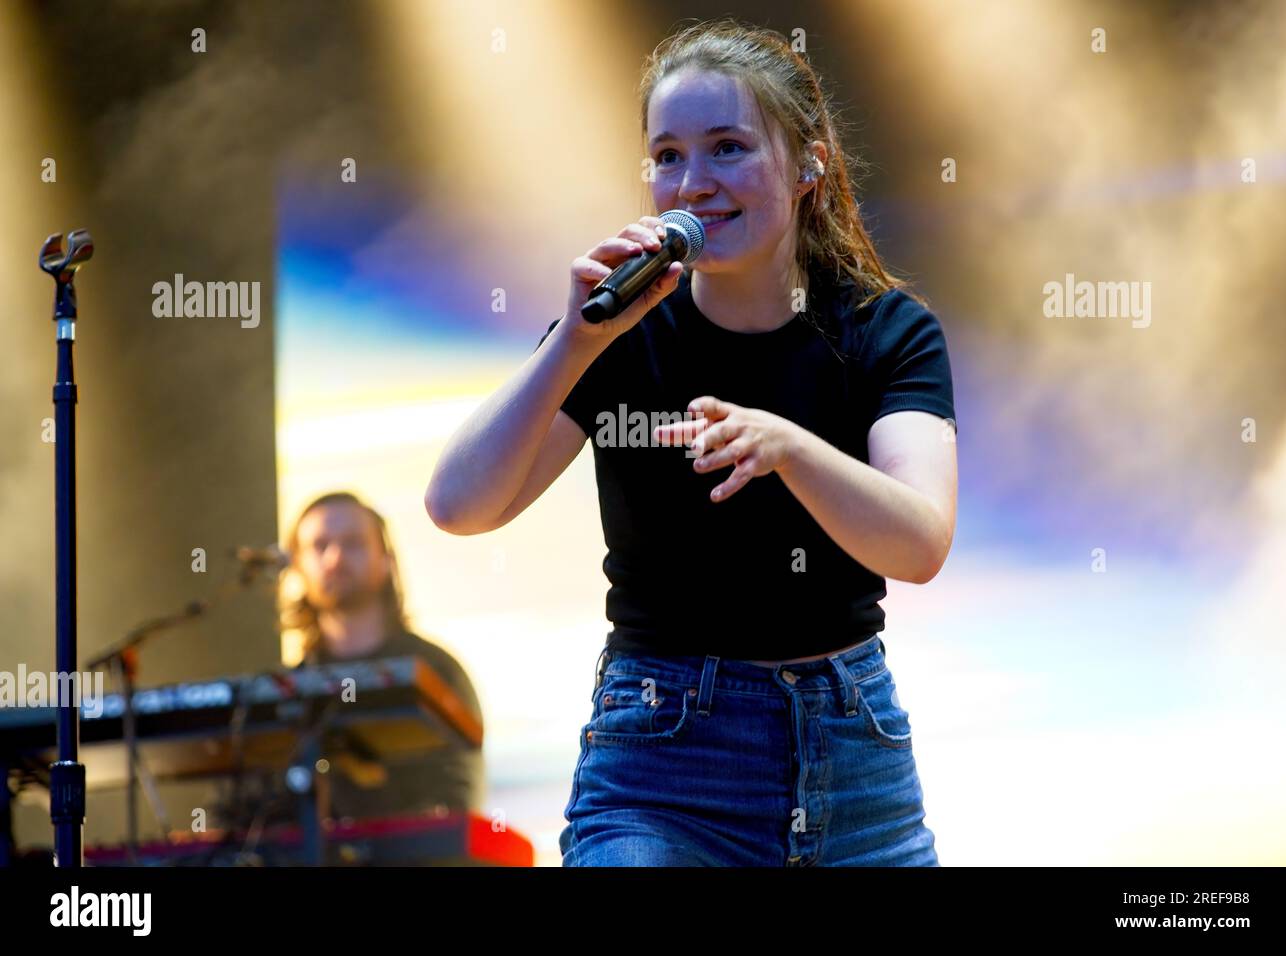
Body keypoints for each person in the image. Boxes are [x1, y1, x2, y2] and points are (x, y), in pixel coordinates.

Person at [425, 18, 956, 866]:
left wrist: (790, 447)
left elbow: (920, 542)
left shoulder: (883, 331)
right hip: (664, 755)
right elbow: (459, 505)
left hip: (851, 751)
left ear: (809, 161)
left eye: (728, 148)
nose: (694, 183)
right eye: (668, 156)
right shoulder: (623, 336)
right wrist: (574, 339)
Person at [280, 491, 487, 820]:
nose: (335, 558)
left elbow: (457, 800)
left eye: (353, 543)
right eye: (320, 546)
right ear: (298, 567)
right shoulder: (290, 687)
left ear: (386, 560)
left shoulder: (434, 670)